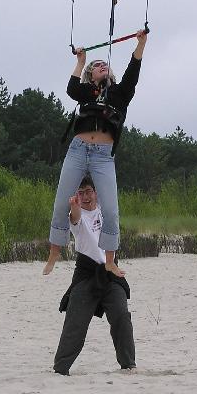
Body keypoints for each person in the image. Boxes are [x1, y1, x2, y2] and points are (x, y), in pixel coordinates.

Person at [43, 30, 147, 278]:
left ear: (110, 73)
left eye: (105, 65)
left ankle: (109, 260)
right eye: (96, 65)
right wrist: (80, 61)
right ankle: (54, 252)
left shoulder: (121, 93)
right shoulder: (86, 92)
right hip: (78, 151)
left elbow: (133, 70)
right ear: (91, 76)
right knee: (61, 203)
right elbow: (71, 88)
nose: (102, 66)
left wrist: (141, 43)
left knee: (111, 210)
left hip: (103, 156)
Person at [44, 175, 136, 375]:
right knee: (75, 322)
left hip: (111, 271)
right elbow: (75, 216)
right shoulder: (77, 216)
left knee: (121, 316)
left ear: (95, 193)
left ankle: (128, 365)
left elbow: (106, 181)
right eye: (81, 192)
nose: (85, 196)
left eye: (88, 191)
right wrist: (74, 205)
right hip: (86, 272)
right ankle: (61, 368)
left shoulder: (105, 209)